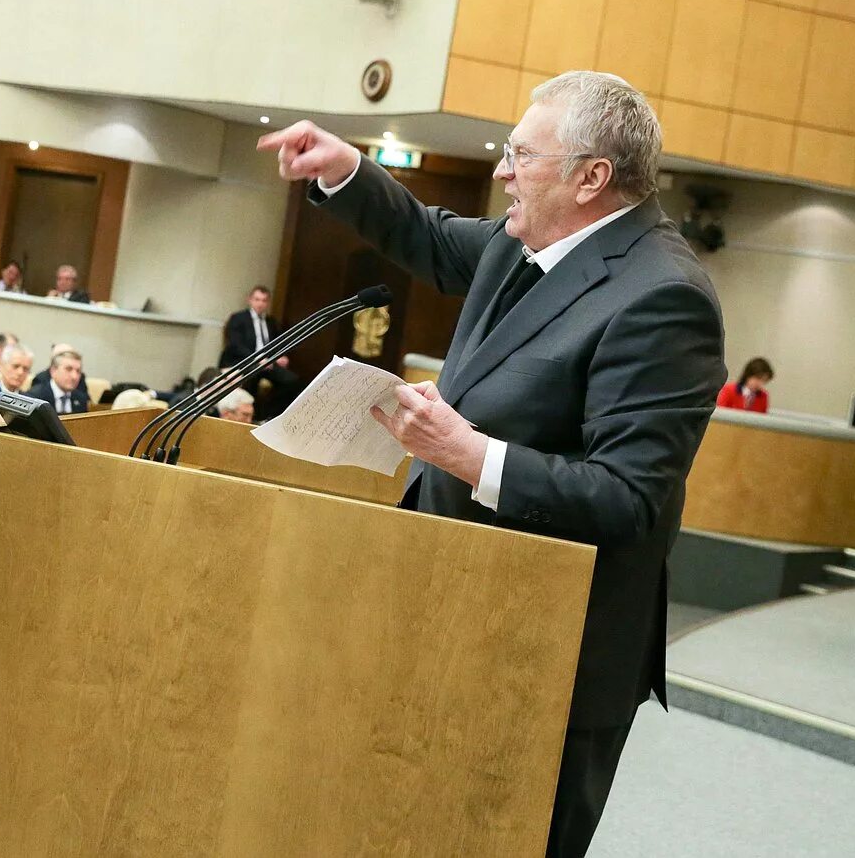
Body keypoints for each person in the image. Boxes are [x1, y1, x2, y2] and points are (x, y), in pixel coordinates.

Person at [260, 69, 724, 858]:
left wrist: (466, 452)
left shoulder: (662, 296)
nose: (502, 172)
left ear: (591, 178)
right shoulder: (528, 242)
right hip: (448, 612)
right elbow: (433, 240)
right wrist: (345, 170)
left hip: (546, 660)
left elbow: (628, 499)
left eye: (520, 155)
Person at [221, 285, 303, 419]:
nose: (260, 303)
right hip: (245, 361)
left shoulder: (270, 321)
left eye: (264, 300)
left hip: (267, 363)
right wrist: (257, 359)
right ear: (250, 300)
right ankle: (253, 416)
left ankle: (269, 416)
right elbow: (235, 345)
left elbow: (277, 344)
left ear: (268, 303)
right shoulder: (238, 318)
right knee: (254, 375)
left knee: (292, 381)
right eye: (257, 299)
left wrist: (280, 357)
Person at [26, 348, 87, 415]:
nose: (74, 376)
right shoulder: (34, 397)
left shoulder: (81, 399)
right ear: (53, 371)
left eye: (78, 371)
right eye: (68, 369)